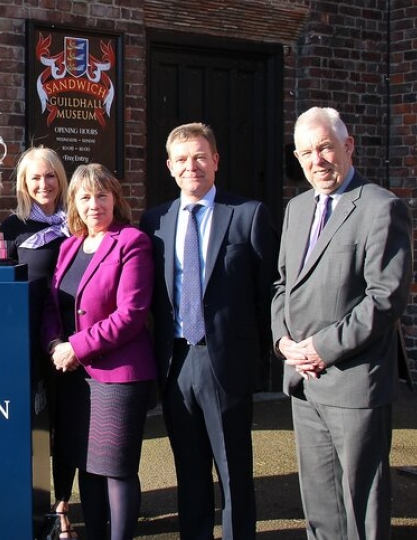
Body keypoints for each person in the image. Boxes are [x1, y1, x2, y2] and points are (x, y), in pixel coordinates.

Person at [272, 107, 412, 540]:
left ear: (348, 146)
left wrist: (322, 348)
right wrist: (283, 342)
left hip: (354, 382)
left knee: (361, 505)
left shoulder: (381, 207)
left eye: (326, 147)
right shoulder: (296, 209)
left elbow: (385, 298)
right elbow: (282, 285)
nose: (318, 160)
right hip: (303, 380)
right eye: (306, 152)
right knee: (319, 504)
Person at [139, 122, 278, 540]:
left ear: (216, 160)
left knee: (234, 472)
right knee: (190, 470)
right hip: (176, 361)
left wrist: (257, 356)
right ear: (169, 166)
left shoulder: (248, 215)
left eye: (200, 156)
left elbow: (268, 294)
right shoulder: (155, 221)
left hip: (226, 364)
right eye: (182, 159)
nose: (191, 166)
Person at [42, 163, 157, 540]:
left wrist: (76, 346)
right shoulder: (70, 246)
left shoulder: (131, 242)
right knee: (87, 466)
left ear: (115, 199)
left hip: (118, 375)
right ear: (74, 202)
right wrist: (57, 344)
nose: (95, 204)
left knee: (115, 468)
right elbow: (52, 305)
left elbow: (132, 314)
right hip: (75, 377)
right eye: (86, 196)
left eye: (102, 195)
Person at [0, 146, 76, 537]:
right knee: (32, 426)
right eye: (35, 178)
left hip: (73, 342)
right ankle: (30, 502)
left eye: (50, 176)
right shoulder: (11, 229)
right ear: (24, 184)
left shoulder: (78, 221)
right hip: (27, 342)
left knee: (66, 423)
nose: (44, 184)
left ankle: (62, 502)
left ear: (61, 179)